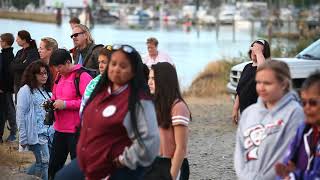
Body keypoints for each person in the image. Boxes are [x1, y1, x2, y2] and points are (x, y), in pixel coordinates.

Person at [55, 44, 160, 180]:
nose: (116, 68)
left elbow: (150, 143)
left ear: (134, 71)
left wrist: (123, 160)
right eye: (113, 63)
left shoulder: (140, 101)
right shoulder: (99, 92)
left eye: (123, 66)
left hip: (116, 168)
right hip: (88, 160)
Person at [234, 60, 305, 180]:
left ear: (283, 84)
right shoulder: (249, 113)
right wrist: (245, 176)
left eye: (267, 83)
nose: (261, 87)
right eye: (258, 82)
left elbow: (287, 154)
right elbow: (239, 151)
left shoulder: (295, 113)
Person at [48, 49, 92, 179]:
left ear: (68, 62)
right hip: (59, 129)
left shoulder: (82, 76)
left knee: (78, 168)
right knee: (54, 167)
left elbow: (88, 102)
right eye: (55, 67)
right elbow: (55, 96)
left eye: (59, 67)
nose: (57, 70)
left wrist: (66, 104)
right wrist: (51, 103)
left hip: (76, 131)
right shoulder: (59, 76)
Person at [145, 62, 191, 180]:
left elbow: (181, 148)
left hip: (171, 164)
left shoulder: (178, 107)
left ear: (164, 80)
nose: (149, 82)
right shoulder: (153, 104)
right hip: (153, 163)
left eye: (153, 78)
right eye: (149, 78)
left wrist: (171, 176)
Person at [275, 71, 320, 179]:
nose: (307, 107)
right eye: (303, 103)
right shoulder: (303, 129)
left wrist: (294, 175)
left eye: (313, 103)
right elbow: (286, 165)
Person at [16, 61, 52, 180]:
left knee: (43, 162)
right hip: (36, 135)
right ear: (33, 75)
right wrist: (23, 137)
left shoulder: (46, 90)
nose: (44, 76)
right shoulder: (25, 90)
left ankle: (24, 176)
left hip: (49, 133)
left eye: (46, 73)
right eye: (41, 74)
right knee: (44, 163)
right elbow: (20, 115)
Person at [232, 39, 270, 124]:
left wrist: (258, 53)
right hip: (245, 111)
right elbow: (240, 89)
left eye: (258, 50)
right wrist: (235, 108)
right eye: (253, 49)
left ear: (264, 53)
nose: (254, 52)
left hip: (260, 113)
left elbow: (262, 71)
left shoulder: (267, 67)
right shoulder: (247, 67)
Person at [79, 45, 113, 117]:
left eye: (104, 62)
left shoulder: (120, 84)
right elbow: (83, 106)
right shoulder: (93, 82)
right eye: (99, 62)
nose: (100, 66)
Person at [11, 30, 40, 96]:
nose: (16, 40)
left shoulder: (33, 52)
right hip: (17, 83)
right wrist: (20, 65)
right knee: (17, 105)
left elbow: (29, 66)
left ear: (24, 40)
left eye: (18, 38)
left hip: (27, 84)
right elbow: (11, 65)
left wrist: (17, 66)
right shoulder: (19, 52)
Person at [0, 33, 17, 142]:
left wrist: (3, 88)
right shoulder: (7, 55)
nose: (0, 42)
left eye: (1, 41)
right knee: (6, 111)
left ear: (5, 42)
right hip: (5, 89)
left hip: (5, 90)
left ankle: (13, 133)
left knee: (7, 111)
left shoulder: (8, 56)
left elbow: (7, 75)